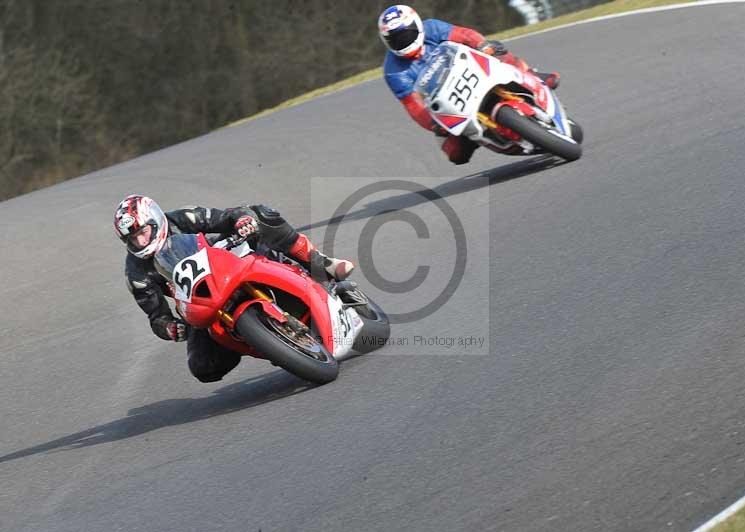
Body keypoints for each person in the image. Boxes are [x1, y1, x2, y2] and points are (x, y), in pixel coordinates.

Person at [113, 195, 354, 383]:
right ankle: (267, 343)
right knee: (203, 367)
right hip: (202, 301)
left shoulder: (183, 218)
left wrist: (243, 221)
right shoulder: (136, 273)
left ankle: (320, 264)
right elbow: (157, 317)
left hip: (232, 260)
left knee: (262, 214)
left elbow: (228, 216)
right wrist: (170, 328)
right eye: (133, 239)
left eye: (142, 233)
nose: (141, 242)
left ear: (155, 221)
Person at [379, 4, 561, 165]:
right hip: (447, 101)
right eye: (396, 39)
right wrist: (434, 125)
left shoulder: (431, 27)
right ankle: (487, 137)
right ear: (387, 41)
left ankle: (531, 76)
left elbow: (464, 35)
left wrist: (482, 45)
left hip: (470, 70)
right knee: (456, 154)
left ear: (417, 26)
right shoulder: (393, 71)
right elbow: (414, 106)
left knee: (497, 53)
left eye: (407, 34)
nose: (403, 41)